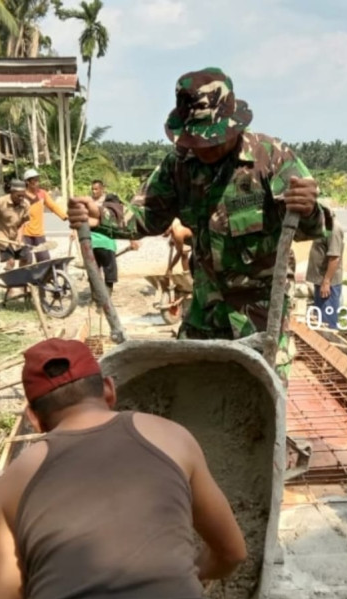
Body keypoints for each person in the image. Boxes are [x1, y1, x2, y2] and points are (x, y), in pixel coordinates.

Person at [68, 67, 330, 383]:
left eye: (213, 140)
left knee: (262, 394)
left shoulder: (270, 157)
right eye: (197, 140)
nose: (205, 148)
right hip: (205, 310)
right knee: (190, 391)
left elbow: (314, 228)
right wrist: (101, 216)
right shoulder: (180, 165)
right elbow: (147, 214)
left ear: (233, 126)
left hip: (259, 314)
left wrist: (309, 209)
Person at [0, 339, 247, 599]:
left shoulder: (11, 484)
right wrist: (191, 574)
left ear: (33, 418)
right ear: (109, 389)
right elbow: (232, 553)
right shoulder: (173, 437)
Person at [88, 179, 139, 296]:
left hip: (101, 243)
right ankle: (101, 297)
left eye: (96, 189)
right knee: (103, 270)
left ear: (102, 189)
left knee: (100, 270)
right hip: (99, 243)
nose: (94, 191)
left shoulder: (107, 205)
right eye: (93, 189)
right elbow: (126, 221)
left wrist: (132, 240)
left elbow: (125, 221)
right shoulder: (96, 204)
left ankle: (102, 296)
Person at [305, 216, 344, 330]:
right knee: (320, 320)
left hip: (328, 283)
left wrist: (327, 281)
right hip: (320, 281)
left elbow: (334, 257)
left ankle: (329, 340)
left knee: (327, 322)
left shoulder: (333, 229)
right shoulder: (324, 227)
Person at [22, 168, 67, 264]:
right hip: (25, 233)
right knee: (26, 260)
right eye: (34, 180)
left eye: (37, 180)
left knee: (44, 259)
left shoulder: (42, 194)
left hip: (39, 233)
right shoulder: (22, 195)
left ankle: (43, 274)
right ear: (27, 182)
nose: (37, 182)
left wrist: (64, 216)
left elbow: (53, 206)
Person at [0, 178, 32, 271]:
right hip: (3, 237)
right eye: (18, 195)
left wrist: (20, 235)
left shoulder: (26, 204)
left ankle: (22, 276)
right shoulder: (0, 202)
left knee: (26, 258)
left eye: (23, 196)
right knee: (11, 262)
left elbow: (24, 222)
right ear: (12, 192)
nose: (21, 198)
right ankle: (9, 276)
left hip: (16, 236)